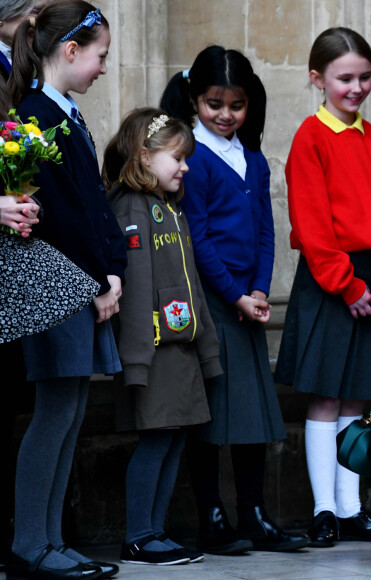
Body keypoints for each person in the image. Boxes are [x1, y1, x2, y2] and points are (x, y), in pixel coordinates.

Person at [160, 45, 310, 555]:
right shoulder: (193, 158)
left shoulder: (253, 159)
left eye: (237, 105)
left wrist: (261, 291)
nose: (226, 115)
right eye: (214, 104)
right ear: (194, 100)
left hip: (247, 303)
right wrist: (235, 295)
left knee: (252, 414)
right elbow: (197, 239)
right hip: (211, 303)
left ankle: (255, 514)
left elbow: (267, 233)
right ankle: (213, 518)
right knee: (210, 414)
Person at [274, 26, 371, 548]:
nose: (356, 88)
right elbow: (312, 226)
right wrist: (347, 286)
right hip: (332, 281)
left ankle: (354, 510)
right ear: (318, 79)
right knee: (326, 399)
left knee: (360, 401)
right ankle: (325, 510)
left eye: (365, 77)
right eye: (344, 78)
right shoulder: (310, 139)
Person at [5, 1, 127, 579]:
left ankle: (51, 541)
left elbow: (94, 203)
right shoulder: (34, 113)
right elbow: (61, 217)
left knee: (72, 411)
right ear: (71, 51)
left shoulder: (64, 112)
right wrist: (100, 277)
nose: (104, 66)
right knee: (53, 413)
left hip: (77, 281)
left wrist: (111, 268)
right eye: (100, 55)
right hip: (52, 284)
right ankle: (32, 543)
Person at [102, 107, 223, 566]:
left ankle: (155, 530)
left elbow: (191, 282)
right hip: (152, 354)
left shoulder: (171, 209)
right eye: (177, 157)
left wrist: (207, 350)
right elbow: (132, 295)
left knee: (173, 437)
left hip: (182, 352)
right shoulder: (131, 208)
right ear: (145, 156)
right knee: (156, 439)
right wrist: (135, 359)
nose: (185, 166)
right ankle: (138, 535)